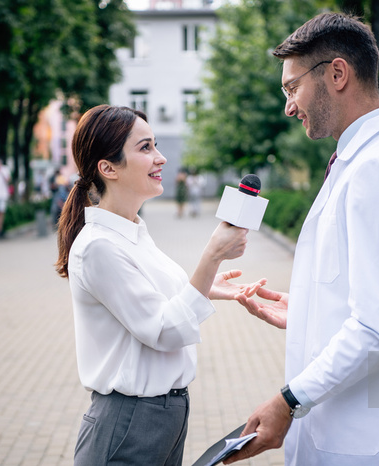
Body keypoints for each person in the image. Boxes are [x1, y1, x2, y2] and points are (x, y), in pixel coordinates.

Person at [227, 12, 379, 466]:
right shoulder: (362, 161)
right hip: (363, 412)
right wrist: (312, 311)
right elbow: (377, 302)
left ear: (336, 73)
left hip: (376, 427)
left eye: (292, 88)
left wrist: (288, 400)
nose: (288, 106)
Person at [54, 105, 264, 466]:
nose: (161, 158)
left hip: (165, 415)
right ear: (108, 168)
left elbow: (152, 300)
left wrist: (207, 286)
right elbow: (164, 329)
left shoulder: (132, 231)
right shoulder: (98, 246)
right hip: (130, 423)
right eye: (146, 147)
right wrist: (211, 256)